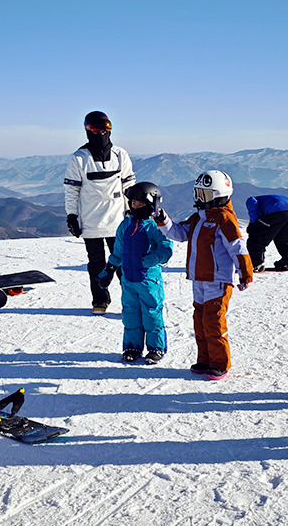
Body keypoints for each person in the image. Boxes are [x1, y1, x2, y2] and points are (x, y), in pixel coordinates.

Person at [154, 170, 253, 380]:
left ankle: (220, 363)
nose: (199, 199)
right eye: (198, 194)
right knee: (199, 321)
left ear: (219, 195)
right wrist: (163, 220)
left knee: (213, 322)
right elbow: (179, 233)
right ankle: (205, 359)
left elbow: (238, 247)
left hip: (217, 281)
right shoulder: (199, 217)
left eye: (204, 195)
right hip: (198, 278)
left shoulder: (225, 219)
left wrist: (245, 273)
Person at [63, 111, 136, 314]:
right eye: (96, 129)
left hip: (118, 220)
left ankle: (129, 301)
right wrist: (72, 216)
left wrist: (132, 210)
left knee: (122, 264)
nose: (101, 132)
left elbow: (129, 185)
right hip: (90, 221)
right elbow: (71, 190)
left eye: (106, 128)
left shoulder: (120, 155)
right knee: (96, 264)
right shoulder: (79, 158)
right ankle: (100, 300)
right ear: (87, 130)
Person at [98, 182, 173, 364]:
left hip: (148, 280)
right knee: (130, 314)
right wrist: (108, 270)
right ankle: (132, 347)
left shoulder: (154, 226)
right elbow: (118, 251)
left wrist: (146, 261)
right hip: (128, 279)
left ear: (150, 205)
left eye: (140, 204)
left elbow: (166, 251)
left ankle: (156, 348)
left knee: (151, 314)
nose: (135, 207)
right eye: (133, 203)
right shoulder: (125, 225)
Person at [244, 194, 288, 271]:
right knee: (283, 237)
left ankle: (256, 263)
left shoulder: (254, 200)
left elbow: (252, 202)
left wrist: (252, 224)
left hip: (277, 210)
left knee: (256, 236)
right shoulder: (269, 203)